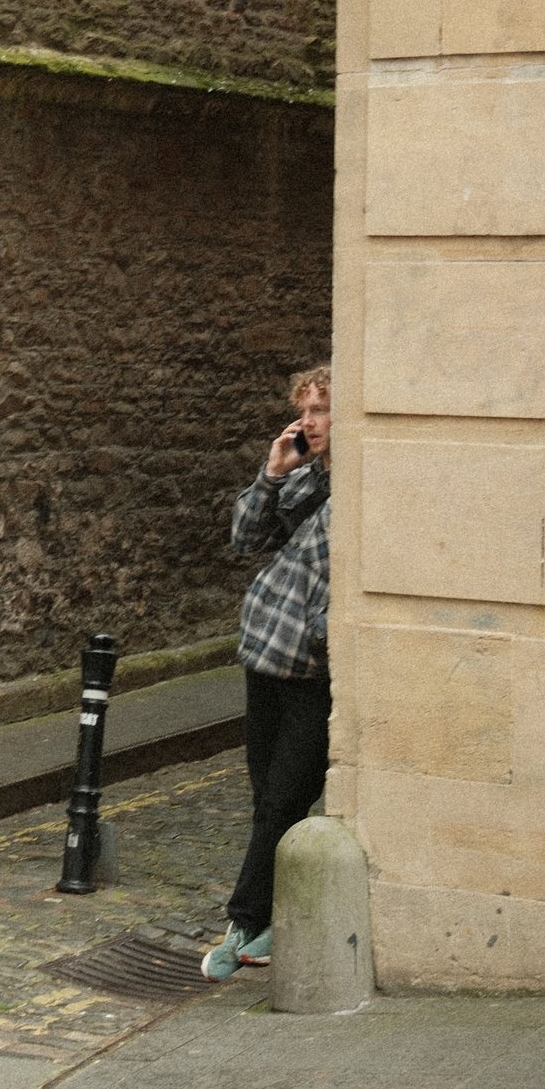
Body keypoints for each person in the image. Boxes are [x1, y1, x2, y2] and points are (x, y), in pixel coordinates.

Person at [203, 363, 333, 981]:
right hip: (265, 655)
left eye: (321, 410)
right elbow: (245, 536)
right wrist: (274, 471)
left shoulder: (365, 487)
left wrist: (323, 633)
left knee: (285, 796)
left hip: (313, 669)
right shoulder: (307, 477)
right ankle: (274, 919)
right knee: (267, 799)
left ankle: (244, 919)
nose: (309, 422)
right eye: (304, 410)